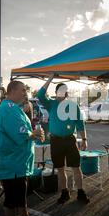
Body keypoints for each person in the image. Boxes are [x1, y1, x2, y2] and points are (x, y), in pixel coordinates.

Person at [0, 81, 45, 216]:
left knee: (20, 195)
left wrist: (35, 133)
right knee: (12, 199)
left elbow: (24, 129)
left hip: (17, 162)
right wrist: (34, 133)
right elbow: (20, 132)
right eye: (22, 90)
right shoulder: (8, 108)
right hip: (11, 163)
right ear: (12, 91)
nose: (25, 93)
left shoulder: (13, 108)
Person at [37, 73, 90, 204]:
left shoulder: (73, 106)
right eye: (59, 91)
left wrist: (84, 140)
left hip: (69, 140)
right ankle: (64, 192)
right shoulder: (51, 104)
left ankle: (81, 192)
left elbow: (80, 124)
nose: (61, 93)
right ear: (55, 93)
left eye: (64, 91)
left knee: (76, 167)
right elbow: (39, 95)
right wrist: (50, 78)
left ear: (66, 93)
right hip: (56, 141)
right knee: (60, 169)